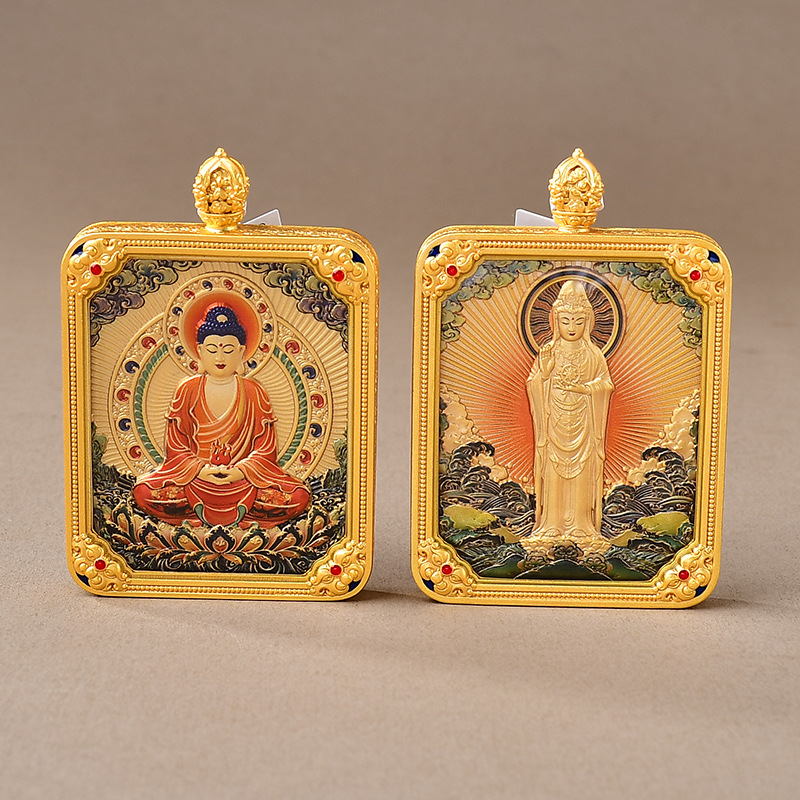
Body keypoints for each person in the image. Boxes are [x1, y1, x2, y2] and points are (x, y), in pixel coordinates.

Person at [133, 305, 311, 528]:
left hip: (244, 482)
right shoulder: (187, 390)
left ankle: (213, 516)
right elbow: (176, 448)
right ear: (199, 351)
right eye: (211, 349)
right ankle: (230, 517)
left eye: (228, 350)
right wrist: (200, 469)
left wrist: (240, 471)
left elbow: (265, 450)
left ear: (241, 352)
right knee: (143, 493)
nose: (219, 357)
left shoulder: (254, 392)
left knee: (299, 497)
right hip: (195, 480)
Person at [524, 281, 613, 554]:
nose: (571, 327)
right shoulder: (548, 352)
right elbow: (533, 384)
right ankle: (551, 524)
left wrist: (585, 389)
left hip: (584, 423)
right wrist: (544, 373)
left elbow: (605, 385)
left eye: (578, 321)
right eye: (565, 321)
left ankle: (581, 526)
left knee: (582, 472)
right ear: (556, 321)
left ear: (588, 322)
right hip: (554, 422)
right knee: (554, 471)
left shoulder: (594, 354)